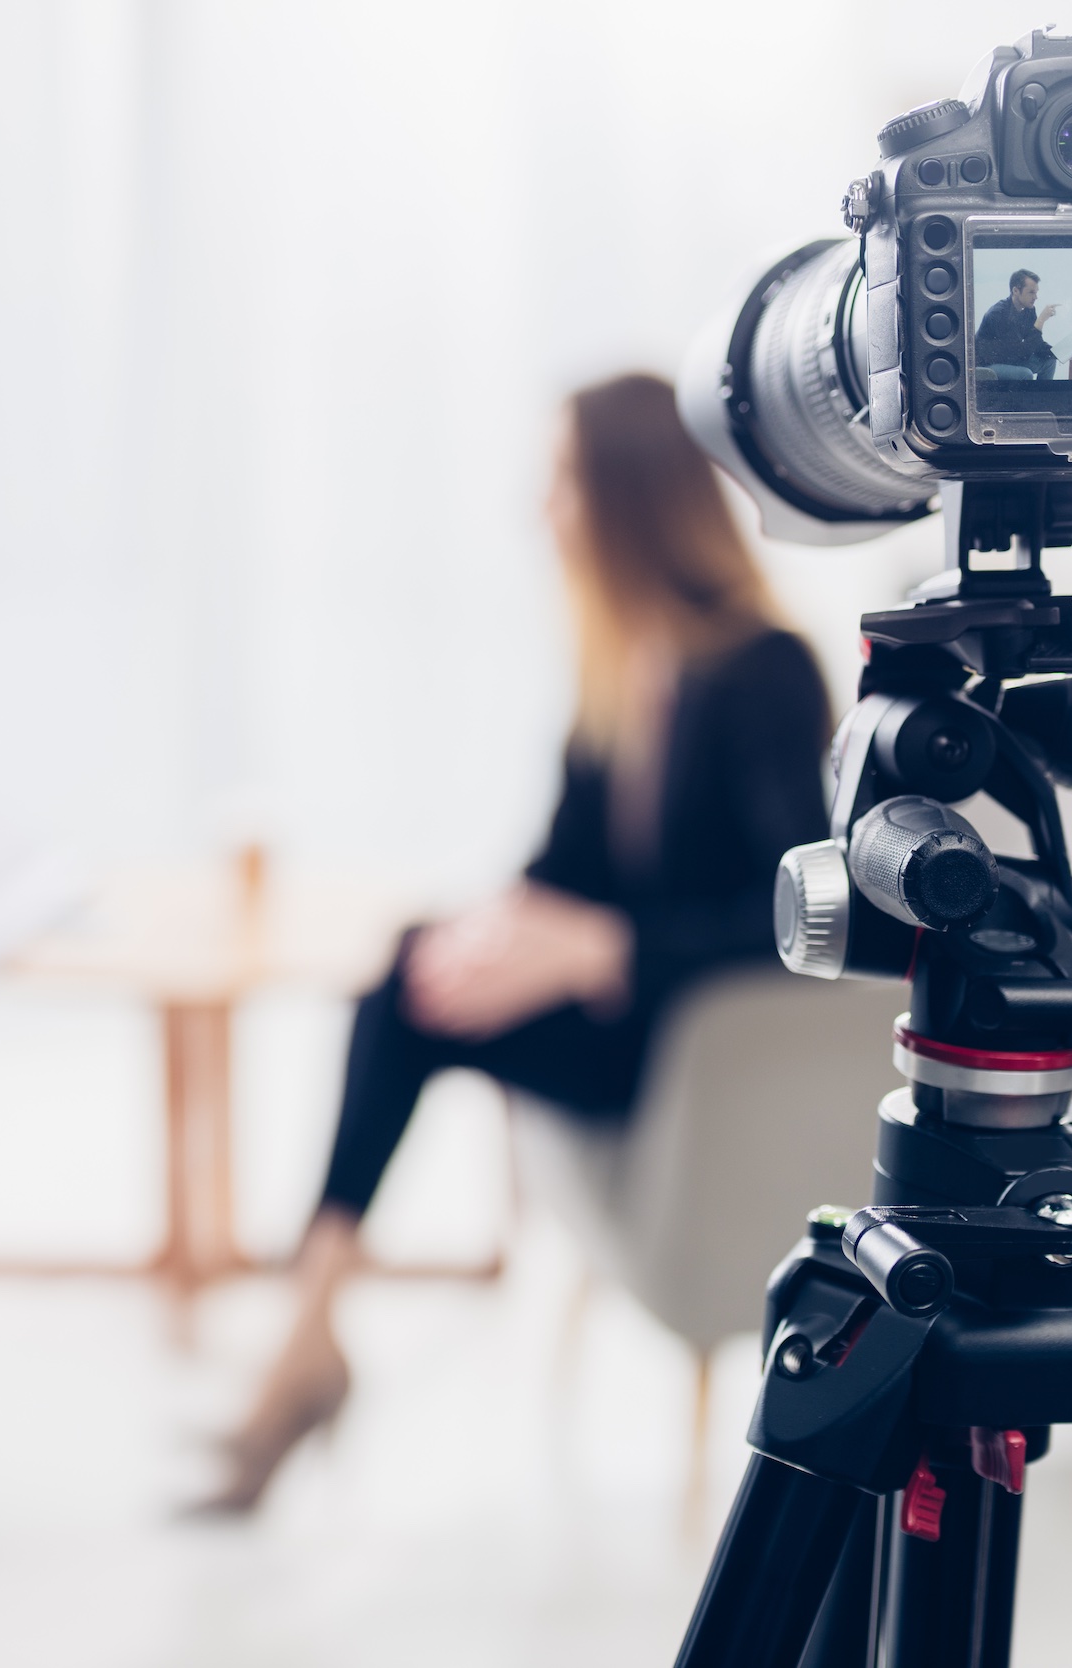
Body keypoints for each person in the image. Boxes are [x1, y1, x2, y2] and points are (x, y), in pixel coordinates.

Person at [198, 372, 832, 1514]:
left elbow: (795, 916)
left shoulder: (764, 672)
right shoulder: (627, 661)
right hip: (623, 1014)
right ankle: (308, 1331)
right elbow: (564, 865)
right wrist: (495, 932)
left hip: (689, 1048)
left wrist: (603, 954)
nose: (541, 512)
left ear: (629, 499)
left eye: (560, 485)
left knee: (403, 986)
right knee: (414, 964)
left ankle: (304, 1347)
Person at [975, 268, 1059, 380]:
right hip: (988, 365)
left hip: (1010, 359)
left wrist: (1057, 352)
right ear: (1015, 291)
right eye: (1031, 292)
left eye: (1036, 292)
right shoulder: (998, 313)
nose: (1035, 297)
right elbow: (1021, 352)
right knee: (1025, 374)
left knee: (1050, 361)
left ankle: (1042, 397)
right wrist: (1040, 321)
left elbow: (1035, 343)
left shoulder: (1029, 310)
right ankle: (1027, 398)